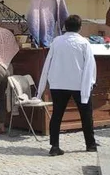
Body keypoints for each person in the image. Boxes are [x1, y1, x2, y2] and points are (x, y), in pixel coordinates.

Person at [36, 14, 98, 157]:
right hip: (78, 83)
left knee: (57, 114)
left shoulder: (56, 41)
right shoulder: (84, 43)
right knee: (86, 114)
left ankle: (54, 146)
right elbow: (90, 65)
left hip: (58, 83)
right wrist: (91, 82)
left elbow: (47, 63)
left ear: (65, 27)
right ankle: (90, 144)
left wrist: (43, 84)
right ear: (80, 27)